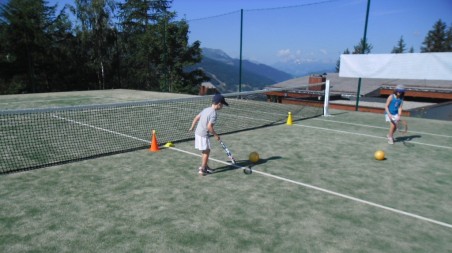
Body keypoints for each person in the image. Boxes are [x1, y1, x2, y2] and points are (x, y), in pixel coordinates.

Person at [189, 93, 229, 175]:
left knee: (205, 150)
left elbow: (196, 117)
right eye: (222, 105)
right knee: (207, 151)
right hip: (203, 134)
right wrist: (216, 135)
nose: (222, 107)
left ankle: (205, 166)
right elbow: (209, 127)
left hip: (197, 133)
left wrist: (192, 127)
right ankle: (203, 169)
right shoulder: (214, 114)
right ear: (219, 104)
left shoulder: (206, 109)